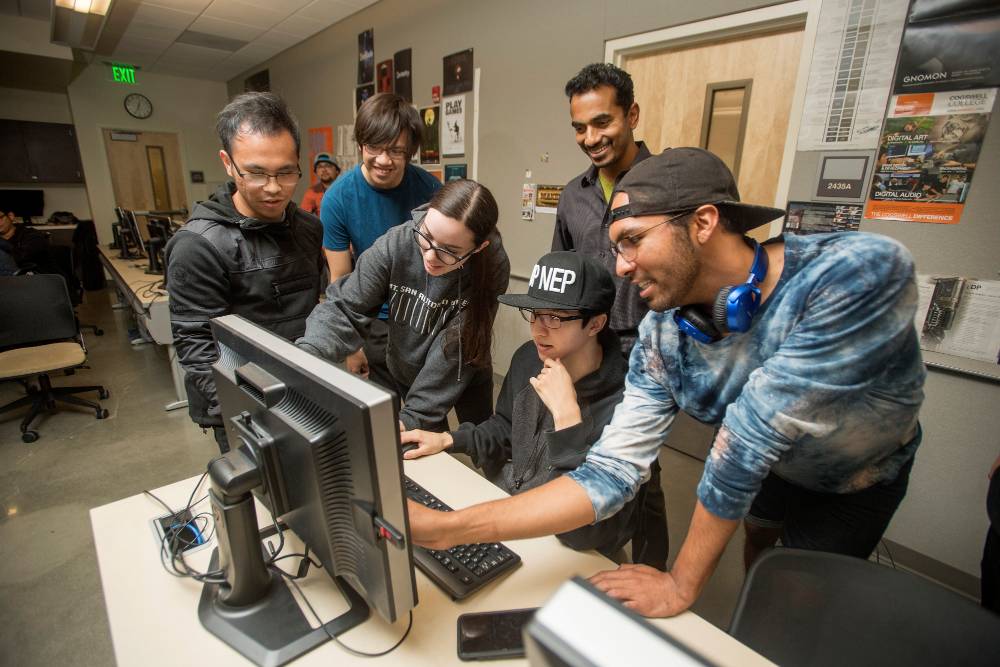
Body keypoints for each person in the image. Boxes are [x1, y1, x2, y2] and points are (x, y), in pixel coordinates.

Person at [407, 147, 925, 618]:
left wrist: (681, 584)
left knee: (798, 598)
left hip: (854, 478)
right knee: (762, 554)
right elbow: (610, 472)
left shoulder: (859, 271)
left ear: (703, 221)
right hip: (773, 472)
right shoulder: (663, 335)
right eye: (616, 246)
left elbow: (747, 439)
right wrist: (450, 528)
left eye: (632, 241)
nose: (622, 266)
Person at [400, 251, 659, 563]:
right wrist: (451, 439)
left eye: (554, 318)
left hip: (579, 553)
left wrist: (567, 418)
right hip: (515, 518)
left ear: (596, 324)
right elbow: (506, 427)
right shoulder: (528, 358)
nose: (538, 329)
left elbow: (584, 534)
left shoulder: (630, 405)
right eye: (534, 313)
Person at [552, 62, 668, 567]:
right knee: (593, 454)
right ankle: (595, 559)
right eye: (579, 127)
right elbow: (560, 278)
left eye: (602, 123)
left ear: (632, 115)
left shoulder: (667, 187)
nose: (590, 137)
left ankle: (650, 569)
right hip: (592, 352)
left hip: (648, 357)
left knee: (645, 472)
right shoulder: (573, 197)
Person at [165, 92, 324, 454]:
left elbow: (313, 308)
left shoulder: (309, 229)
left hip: (306, 392)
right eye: (255, 173)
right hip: (246, 408)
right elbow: (198, 350)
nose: (273, 187)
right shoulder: (198, 246)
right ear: (228, 163)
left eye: (286, 172)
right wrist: (251, 414)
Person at [298, 179, 508, 432]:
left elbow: (456, 345)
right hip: (407, 364)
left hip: (465, 364)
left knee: (483, 438)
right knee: (426, 442)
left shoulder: (492, 265)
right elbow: (345, 307)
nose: (430, 256)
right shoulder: (396, 243)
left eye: (449, 250)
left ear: (478, 248)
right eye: (427, 236)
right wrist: (304, 359)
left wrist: (416, 415)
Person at [321, 92, 441, 379]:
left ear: (410, 151)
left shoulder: (431, 191)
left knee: (424, 410)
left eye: (396, 151)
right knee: (381, 413)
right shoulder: (338, 198)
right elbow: (340, 278)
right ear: (361, 144)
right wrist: (351, 345)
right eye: (374, 147)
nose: (384, 160)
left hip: (422, 315)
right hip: (372, 318)